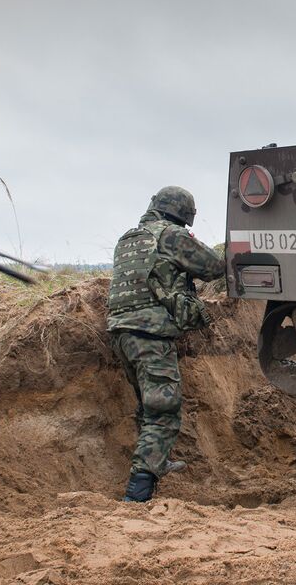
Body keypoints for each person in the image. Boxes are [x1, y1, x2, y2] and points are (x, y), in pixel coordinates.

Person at [107, 186, 224, 502]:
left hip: (121, 332)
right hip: (151, 334)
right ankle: (139, 491)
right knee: (163, 410)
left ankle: (155, 462)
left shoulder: (130, 238)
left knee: (148, 407)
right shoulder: (170, 235)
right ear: (183, 214)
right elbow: (214, 267)